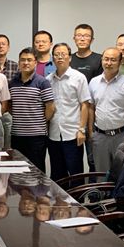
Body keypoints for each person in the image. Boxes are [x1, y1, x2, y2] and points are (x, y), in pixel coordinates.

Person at [88, 47, 124, 173]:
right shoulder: (94, 82)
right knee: (101, 174)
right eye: (106, 59)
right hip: (100, 136)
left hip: (122, 136)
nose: (109, 63)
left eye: (113, 60)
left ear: (120, 62)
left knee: (123, 173)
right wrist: (90, 131)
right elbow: (91, 107)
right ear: (102, 60)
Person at [46, 43, 91, 182]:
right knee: (57, 175)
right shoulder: (48, 80)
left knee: (76, 174)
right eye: (56, 54)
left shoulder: (79, 77)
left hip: (73, 134)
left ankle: (78, 197)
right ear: (53, 58)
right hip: (54, 134)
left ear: (70, 58)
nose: (60, 57)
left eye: (63, 54)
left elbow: (85, 104)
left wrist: (82, 130)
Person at [8, 47, 55, 173]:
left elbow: (50, 107)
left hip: (37, 136)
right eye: (22, 60)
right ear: (19, 62)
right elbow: (11, 106)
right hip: (17, 135)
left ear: (35, 62)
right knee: (17, 171)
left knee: (36, 171)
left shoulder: (42, 82)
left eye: (29, 60)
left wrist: (39, 121)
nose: (26, 63)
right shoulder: (12, 82)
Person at [70, 23, 103, 174]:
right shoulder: (69, 59)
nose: (82, 39)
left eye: (86, 36)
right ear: (74, 38)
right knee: (73, 160)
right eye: (79, 35)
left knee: (93, 159)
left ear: (92, 39)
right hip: (72, 116)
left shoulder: (99, 59)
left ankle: (95, 188)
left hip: (93, 115)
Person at [0, 33, 19, 149]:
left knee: (8, 148)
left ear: (8, 47)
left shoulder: (16, 67)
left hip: (9, 113)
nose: (0, 46)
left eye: (3, 44)